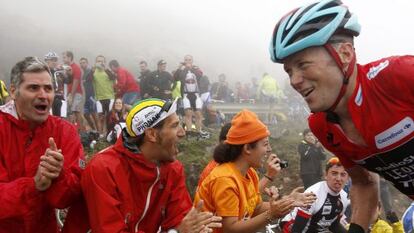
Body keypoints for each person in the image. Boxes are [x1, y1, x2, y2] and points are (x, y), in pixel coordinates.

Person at [269, 0, 414, 231]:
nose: (294, 80)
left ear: (345, 54)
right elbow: (364, 182)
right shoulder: (321, 126)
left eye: (302, 64)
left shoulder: (400, 77)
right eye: (289, 71)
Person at [78, 98, 222, 233]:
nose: (183, 132)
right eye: (175, 126)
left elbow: (180, 220)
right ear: (152, 134)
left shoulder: (173, 169)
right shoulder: (103, 168)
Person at [194, 109, 316, 233]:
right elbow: (230, 228)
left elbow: (256, 207)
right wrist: (271, 215)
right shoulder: (225, 179)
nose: (269, 150)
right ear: (247, 148)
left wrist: (288, 202)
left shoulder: (250, 173)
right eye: (265, 144)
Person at [0, 56, 84, 233]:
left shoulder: (65, 132)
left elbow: (70, 196)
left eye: (48, 88)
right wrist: (34, 185)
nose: (43, 95)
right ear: (14, 92)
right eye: (33, 88)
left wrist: (58, 176)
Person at [281, 157, 350, 233]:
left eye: (343, 174)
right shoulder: (313, 193)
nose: (338, 178)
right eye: (334, 173)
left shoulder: (344, 197)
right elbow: (296, 229)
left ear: (347, 178)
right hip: (292, 228)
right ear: (326, 175)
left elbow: (334, 225)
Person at [175, 55, 204, 135]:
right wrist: (180, 68)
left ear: (192, 61)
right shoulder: (182, 70)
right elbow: (176, 78)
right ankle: (189, 132)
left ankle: (198, 132)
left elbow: (200, 76)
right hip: (186, 94)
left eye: (189, 60)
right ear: (184, 61)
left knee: (198, 114)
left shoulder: (195, 68)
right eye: (186, 60)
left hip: (196, 94)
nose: (188, 61)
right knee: (188, 114)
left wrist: (192, 68)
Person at [92, 55, 116, 137]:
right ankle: (100, 134)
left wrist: (105, 69)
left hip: (110, 97)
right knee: (100, 117)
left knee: (109, 117)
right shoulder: (94, 72)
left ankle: (109, 133)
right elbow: (87, 79)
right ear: (96, 62)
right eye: (98, 61)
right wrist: (92, 69)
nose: (100, 63)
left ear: (105, 62)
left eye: (102, 61)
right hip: (99, 98)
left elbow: (113, 77)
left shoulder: (108, 71)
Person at [63, 51, 83, 130]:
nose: (63, 59)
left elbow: (76, 81)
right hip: (69, 93)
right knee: (71, 112)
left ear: (69, 57)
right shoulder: (67, 68)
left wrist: (71, 94)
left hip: (76, 93)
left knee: (76, 111)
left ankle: (82, 131)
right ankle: (73, 130)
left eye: (64, 57)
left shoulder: (75, 67)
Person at [80, 57, 99, 131]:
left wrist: (92, 71)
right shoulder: (83, 73)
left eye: (83, 62)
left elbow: (91, 76)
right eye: (81, 63)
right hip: (85, 97)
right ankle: (94, 130)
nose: (82, 64)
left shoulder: (90, 70)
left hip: (91, 96)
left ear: (87, 63)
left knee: (94, 114)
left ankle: (99, 132)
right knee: (86, 114)